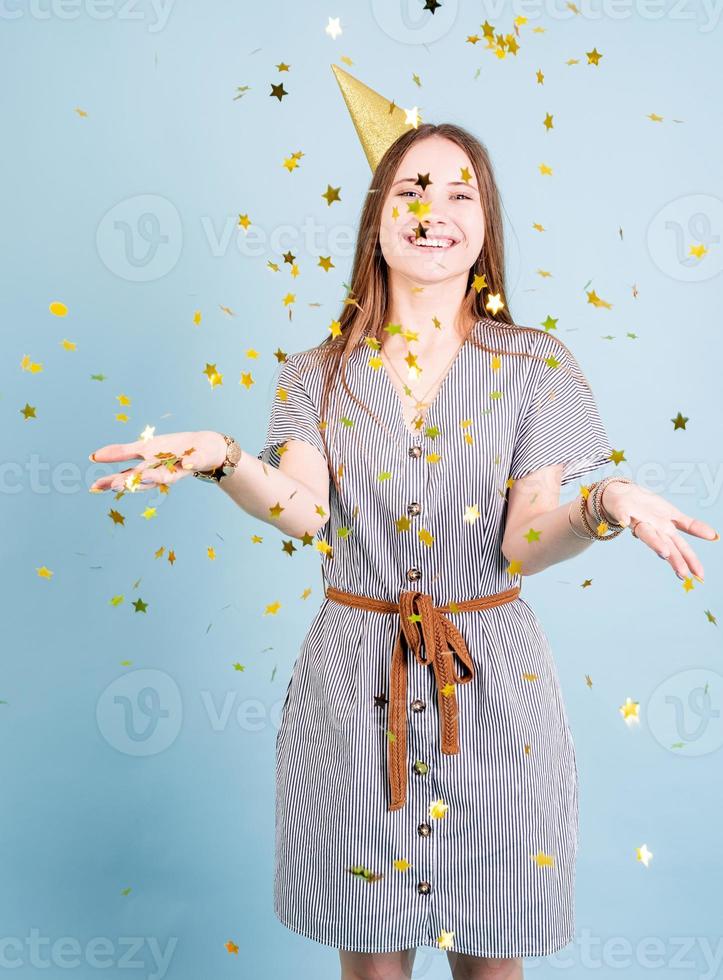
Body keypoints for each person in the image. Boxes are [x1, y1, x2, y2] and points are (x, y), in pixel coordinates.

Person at [88, 124, 717, 980]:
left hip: (494, 688)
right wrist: (226, 460)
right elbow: (307, 513)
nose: (434, 211)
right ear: (377, 218)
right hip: (353, 686)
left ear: (485, 225)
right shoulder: (312, 374)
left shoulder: (537, 366)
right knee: (372, 960)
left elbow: (525, 541)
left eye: (461, 194)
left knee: (493, 959)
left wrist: (604, 502)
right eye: (411, 189)